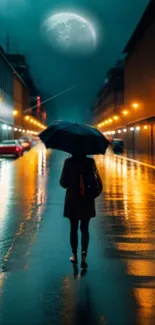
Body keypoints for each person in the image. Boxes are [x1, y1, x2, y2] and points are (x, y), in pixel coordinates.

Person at [60, 154, 102, 269]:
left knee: (73, 229)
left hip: (72, 200)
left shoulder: (68, 162)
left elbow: (63, 183)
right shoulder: (90, 162)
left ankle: (74, 255)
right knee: (85, 229)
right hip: (87, 200)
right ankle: (84, 254)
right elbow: (97, 180)